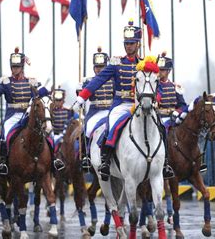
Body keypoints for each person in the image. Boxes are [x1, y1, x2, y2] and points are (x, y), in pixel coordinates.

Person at [74, 20, 174, 181]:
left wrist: (157, 99)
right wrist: (82, 97)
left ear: (138, 44)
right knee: (112, 126)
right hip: (121, 104)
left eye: (132, 43)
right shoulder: (116, 64)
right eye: (127, 43)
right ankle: (105, 161)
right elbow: (98, 80)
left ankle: (165, 163)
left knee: (161, 126)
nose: (129, 46)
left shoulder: (146, 65)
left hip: (141, 104)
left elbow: (158, 86)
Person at [0, 47, 61, 175]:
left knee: (49, 132)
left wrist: (48, 90)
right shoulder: (6, 82)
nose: (14, 69)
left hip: (29, 114)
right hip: (13, 114)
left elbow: (42, 93)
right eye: (13, 67)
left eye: (17, 67)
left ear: (22, 67)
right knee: (6, 134)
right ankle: (4, 162)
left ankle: (54, 159)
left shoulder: (31, 81)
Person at [81, 47, 114, 168]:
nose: (99, 69)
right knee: (87, 129)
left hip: (111, 110)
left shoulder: (113, 80)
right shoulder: (89, 81)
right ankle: (86, 155)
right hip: (96, 111)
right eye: (97, 67)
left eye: (102, 67)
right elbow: (83, 94)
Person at [51, 87, 72, 170]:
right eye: (57, 100)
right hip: (54, 135)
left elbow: (73, 120)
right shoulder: (51, 111)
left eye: (60, 100)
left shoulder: (68, 111)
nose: (58, 102)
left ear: (63, 101)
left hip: (65, 135)